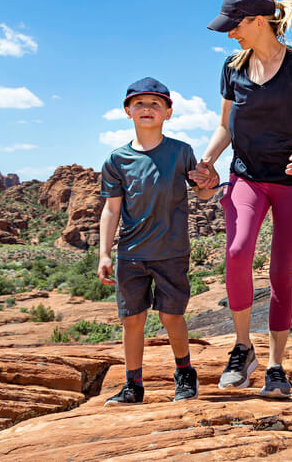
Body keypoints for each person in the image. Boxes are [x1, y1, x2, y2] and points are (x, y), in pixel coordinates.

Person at [191, 0, 292, 398]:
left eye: (234, 26)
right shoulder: (232, 69)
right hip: (247, 176)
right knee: (236, 252)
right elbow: (224, 127)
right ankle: (242, 348)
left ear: (257, 21)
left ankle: (275, 365)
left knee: (281, 271)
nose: (230, 34)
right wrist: (207, 160)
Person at [96, 77, 216, 405]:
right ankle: (133, 385)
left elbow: (204, 192)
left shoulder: (180, 152)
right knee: (132, 319)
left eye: (155, 104)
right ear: (127, 111)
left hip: (171, 251)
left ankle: (185, 374)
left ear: (168, 113)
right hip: (131, 254)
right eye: (139, 104)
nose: (147, 109)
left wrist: (211, 181)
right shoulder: (116, 160)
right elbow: (111, 209)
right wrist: (104, 254)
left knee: (171, 316)